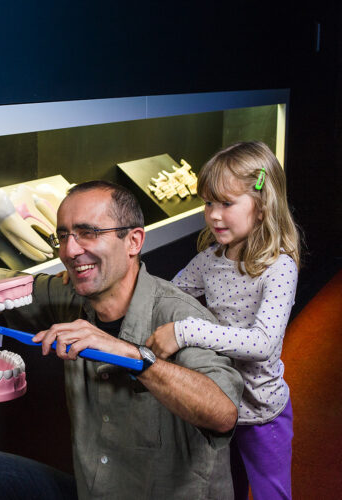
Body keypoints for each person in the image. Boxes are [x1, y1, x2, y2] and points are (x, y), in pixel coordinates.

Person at [0, 180, 244, 499]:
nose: (70, 250)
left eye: (88, 233)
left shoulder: (181, 317)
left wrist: (131, 354)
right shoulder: (66, 294)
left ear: (133, 241)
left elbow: (223, 413)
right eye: (63, 236)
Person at [147, 142, 301, 500]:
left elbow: (262, 343)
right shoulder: (210, 259)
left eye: (226, 203)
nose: (213, 215)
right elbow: (166, 295)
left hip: (262, 415)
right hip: (218, 407)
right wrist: (119, 275)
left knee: (271, 495)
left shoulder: (279, 268)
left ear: (262, 207)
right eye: (208, 203)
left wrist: (184, 332)